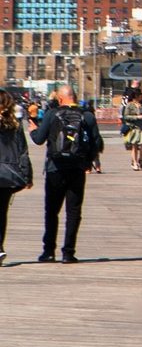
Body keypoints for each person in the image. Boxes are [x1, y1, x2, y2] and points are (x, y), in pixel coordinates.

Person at [31, 85, 102, 263]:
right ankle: (68, 252)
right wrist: (86, 162)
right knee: (73, 211)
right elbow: (97, 144)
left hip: (55, 169)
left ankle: (48, 251)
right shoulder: (87, 116)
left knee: (52, 211)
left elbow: (39, 139)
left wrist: (33, 129)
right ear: (75, 97)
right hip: (77, 169)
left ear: (60, 99)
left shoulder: (51, 114)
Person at [0, 92, 31, 266]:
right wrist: (27, 175)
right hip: (8, 174)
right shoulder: (15, 125)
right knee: (2, 213)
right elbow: (22, 152)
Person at [120, 90, 142, 171]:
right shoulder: (129, 105)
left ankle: (141, 159)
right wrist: (136, 117)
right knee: (134, 146)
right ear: (135, 96)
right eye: (139, 95)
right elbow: (126, 116)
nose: (141, 97)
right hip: (134, 127)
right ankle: (135, 162)